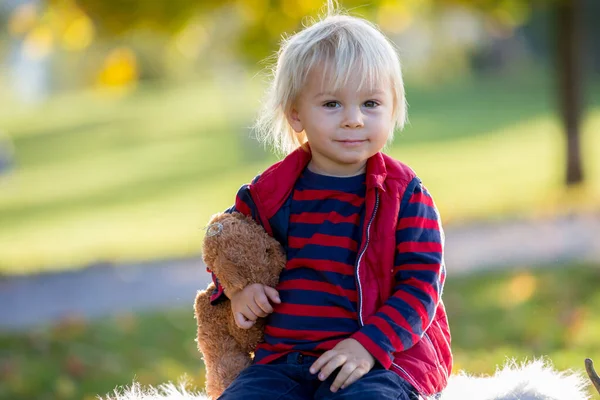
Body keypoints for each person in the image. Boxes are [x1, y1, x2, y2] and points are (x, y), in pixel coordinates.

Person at [207, 2, 452, 399]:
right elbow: (227, 248)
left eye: (371, 103)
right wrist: (238, 291)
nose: (353, 118)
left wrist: (369, 344)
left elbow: (422, 285)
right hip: (283, 360)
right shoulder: (269, 193)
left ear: (392, 109)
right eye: (332, 104)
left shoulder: (405, 194)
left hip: (381, 358)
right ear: (296, 114)